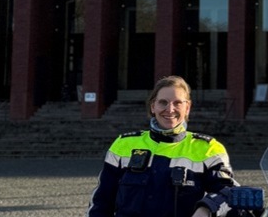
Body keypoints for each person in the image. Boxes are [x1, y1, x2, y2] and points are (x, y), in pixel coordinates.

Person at [87, 75, 238, 217]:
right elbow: (102, 200)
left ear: (188, 108)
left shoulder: (208, 148)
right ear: (153, 106)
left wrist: (206, 208)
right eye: (163, 102)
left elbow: (228, 192)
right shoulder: (123, 144)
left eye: (177, 103)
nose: (170, 109)